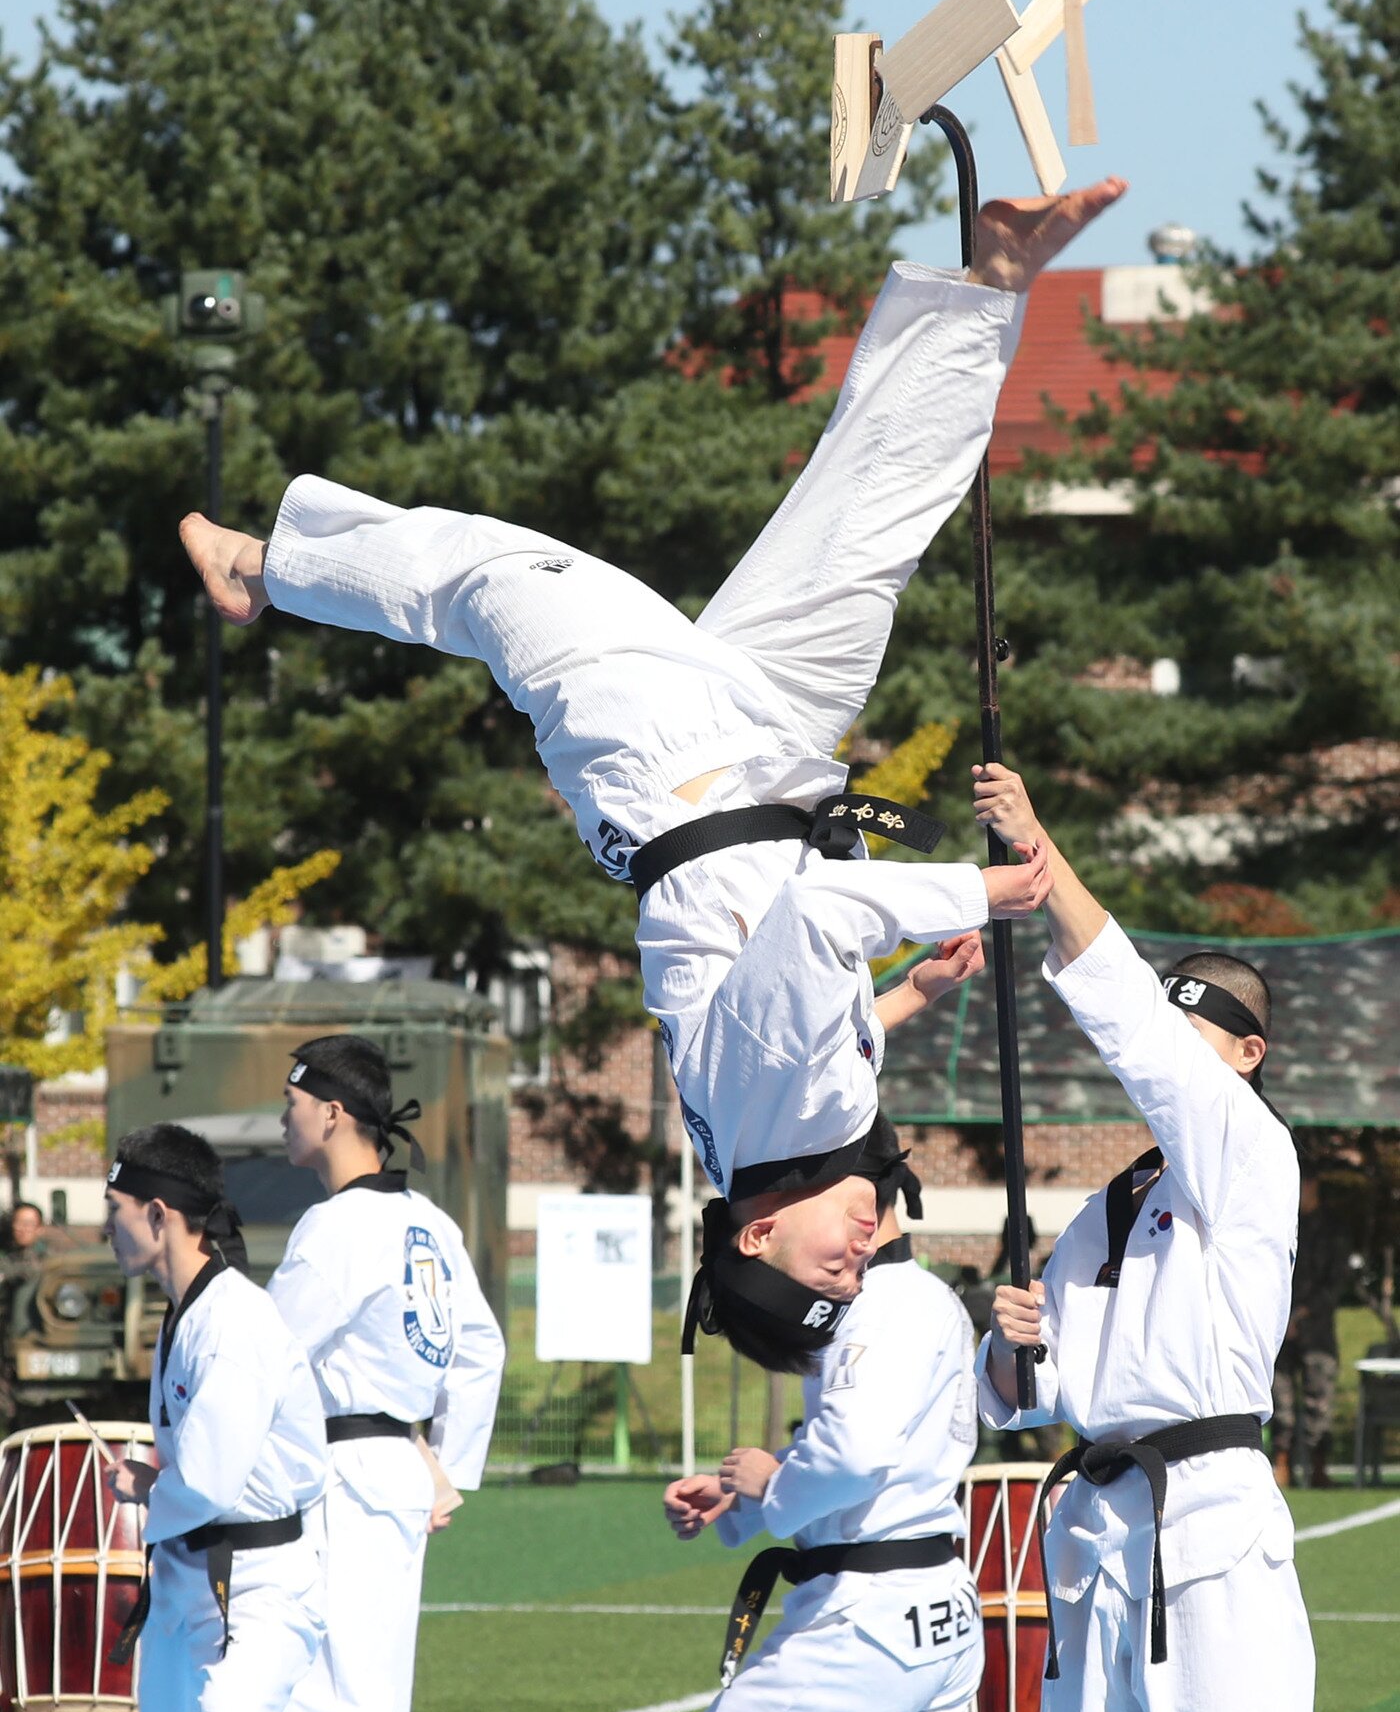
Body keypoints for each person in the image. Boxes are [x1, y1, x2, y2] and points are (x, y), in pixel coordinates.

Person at [180, 180, 1126, 1364]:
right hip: (761, 756)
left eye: (828, 1264)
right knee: (862, 524)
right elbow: (779, 1021)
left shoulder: (789, 1129)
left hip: (664, 760)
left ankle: (264, 567)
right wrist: (903, 1004)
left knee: (495, 577)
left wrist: (982, 891)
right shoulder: (764, 1142)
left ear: (750, 1239)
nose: (864, 1244)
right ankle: (987, 283)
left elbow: (825, 917)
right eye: (863, 1265)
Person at [971, 762, 1333, 1712]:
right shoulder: (1112, 1204)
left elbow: (1135, 1036)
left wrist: (1037, 855)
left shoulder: (1248, 1149)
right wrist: (1013, 1347)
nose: (1171, 1053)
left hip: (1208, 1519)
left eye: (1197, 1033)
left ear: (1246, 1052)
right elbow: (1031, 1395)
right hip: (1098, 1521)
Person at [541, 1145, 1046, 1712]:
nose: (841, 1262)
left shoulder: (889, 1304)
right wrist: (740, 1503)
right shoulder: (902, 1305)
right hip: (926, 1610)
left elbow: (850, 1461)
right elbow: (860, 1472)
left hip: (867, 1625)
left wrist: (771, 1484)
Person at [265, 1032, 506, 1712]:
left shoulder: (338, 1229)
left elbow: (273, 1356)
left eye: (291, 1105)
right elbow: (480, 1351)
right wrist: (448, 1464)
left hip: (343, 1469)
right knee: (365, 1687)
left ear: (329, 1111)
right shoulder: (428, 1223)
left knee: (332, 1690)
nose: (283, 1121)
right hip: (391, 1466)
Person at [91, 1124, 327, 1712]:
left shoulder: (234, 1319)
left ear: (160, 1214)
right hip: (195, 1569)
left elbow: (216, 1475)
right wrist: (160, 1487)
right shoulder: (185, 1310)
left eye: (115, 1212)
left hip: (263, 1577)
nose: (107, 1228)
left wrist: (148, 1488)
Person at [1271, 1174, 1347, 1488]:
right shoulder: (1281, 1224)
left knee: (1319, 1403)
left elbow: (1336, 1283)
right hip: (1279, 1328)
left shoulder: (1333, 1230)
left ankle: (1318, 1467)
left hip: (1316, 1333)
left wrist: (1301, 1314)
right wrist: (1283, 1316)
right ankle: (1281, 1463)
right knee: (1280, 1402)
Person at [0, 1200, 46, 1432]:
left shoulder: (49, 1260)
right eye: (19, 1223)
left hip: (36, 1346)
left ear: (40, 1229)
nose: (23, 1229)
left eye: (29, 1224)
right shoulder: (8, 1259)